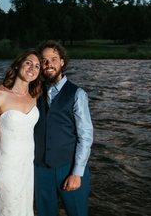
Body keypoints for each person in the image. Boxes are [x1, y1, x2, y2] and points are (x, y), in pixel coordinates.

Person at [34, 40, 93, 216]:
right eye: (44, 60)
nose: (48, 64)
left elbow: (86, 136)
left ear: (62, 62)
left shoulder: (77, 93)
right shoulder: (34, 93)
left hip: (68, 168)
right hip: (40, 170)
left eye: (53, 59)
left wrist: (77, 172)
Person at [0, 50, 43, 216]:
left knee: (24, 211)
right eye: (28, 63)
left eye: (37, 66)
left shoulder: (35, 97)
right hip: (6, 168)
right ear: (18, 65)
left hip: (27, 168)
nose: (32, 68)